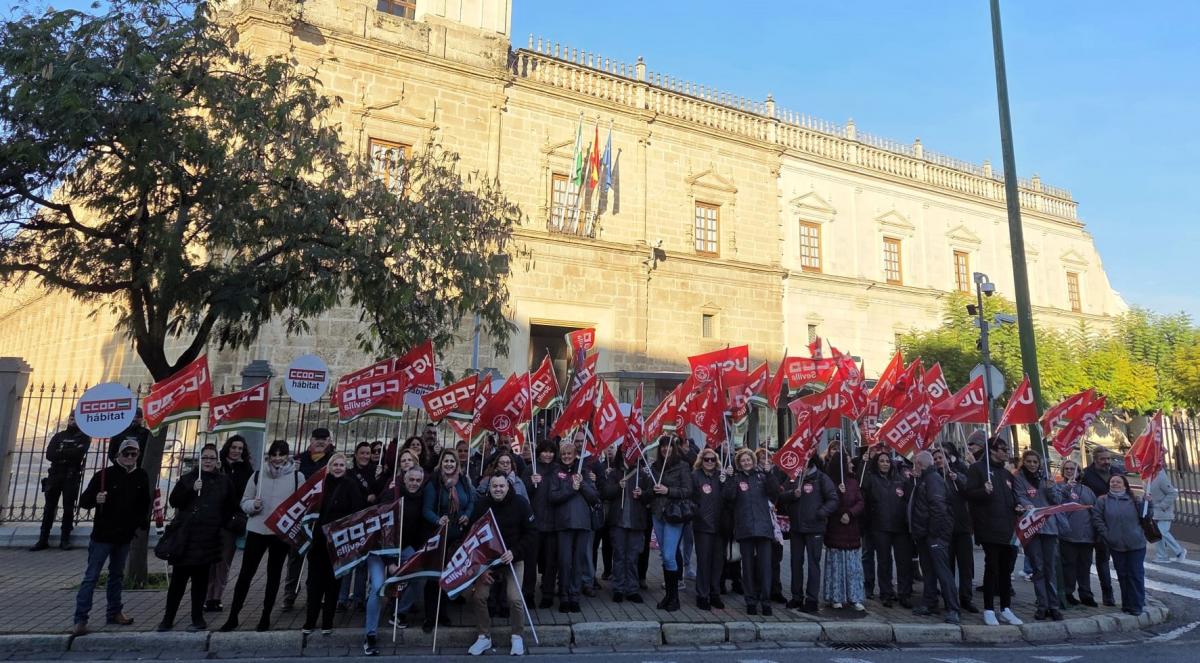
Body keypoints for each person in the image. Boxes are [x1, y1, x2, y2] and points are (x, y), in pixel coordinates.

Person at [220, 440, 304, 632]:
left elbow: (302, 505)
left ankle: (265, 617)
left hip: (280, 532)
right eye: (274, 455)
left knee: (274, 575)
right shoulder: (258, 475)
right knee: (245, 575)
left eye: (281, 455)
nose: (277, 459)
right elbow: (245, 501)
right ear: (269, 456)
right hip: (258, 529)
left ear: (287, 456)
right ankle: (233, 616)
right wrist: (253, 506)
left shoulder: (297, 477)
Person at [71, 439, 150, 635]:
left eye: (134, 454)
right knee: (92, 577)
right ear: (118, 455)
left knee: (117, 576)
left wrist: (139, 524)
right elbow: (84, 501)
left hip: (124, 536)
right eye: (127, 454)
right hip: (103, 535)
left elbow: (144, 503)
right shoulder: (104, 475)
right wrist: (96, 498)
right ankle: (81, 618)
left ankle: (114, 612)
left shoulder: (141, 475)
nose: (130, 458)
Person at [160, 444, 238, 632]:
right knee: (178, 582)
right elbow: (174, 501)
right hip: (186, 539)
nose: (208, 461)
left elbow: (230, 506)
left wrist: (228, 525)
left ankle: (197, 617)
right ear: (200, 459)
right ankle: (168, 618)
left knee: (200, 583)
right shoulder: (188, 479)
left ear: (217, 461)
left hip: (208, 538)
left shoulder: (224, 481)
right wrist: (191, 489)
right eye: (205, 458)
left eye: (212, 458)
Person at [466, 472, 537, 657]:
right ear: (489, 488)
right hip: (489, 562)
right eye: (494, 486)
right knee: (479, 596)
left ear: (508, 486)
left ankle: (517, 636)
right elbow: (472, 537)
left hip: (513, 558)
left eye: (501, 486)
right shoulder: (482, 505)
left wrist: (515, 552)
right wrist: (481, 568)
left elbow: (532, 534)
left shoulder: (521, 503)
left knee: (514, 598)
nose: (498, 489)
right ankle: (484, 636)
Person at [303, 452, 367, 636]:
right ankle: (310, 620)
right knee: (314, 584)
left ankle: (327, 622)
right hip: (318, 542)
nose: (338, 468)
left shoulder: (351, 485)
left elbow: (357, 512)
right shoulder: (320, 485)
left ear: (345, 468)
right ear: (329, 467)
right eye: (335, 465)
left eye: (341, 465)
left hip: (338, 543)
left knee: (333, 584)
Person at [365, 467, 427, 654]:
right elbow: (383, 528)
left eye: (418, 480)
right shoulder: (392, 495)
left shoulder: (421, 498)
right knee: (377, 587)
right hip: (379, 549)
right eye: (411, 479)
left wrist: (418, 554)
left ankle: (399, 611)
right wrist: (391, 560)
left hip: (403, 547)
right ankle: (370, 635)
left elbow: (418, 529)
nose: (414, 483)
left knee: (420, 574)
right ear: (404, 479)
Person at [965, 438, 1024, 627]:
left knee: (1006, 570)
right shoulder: (977, 469)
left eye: (1007, 448)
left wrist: (1019, 506)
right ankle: (989, 609)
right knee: (992, 568)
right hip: (989, 527)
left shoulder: (1007, 474)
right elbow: (968, 494)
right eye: (1002, 448)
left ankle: (1006, 608)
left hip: (1008, 528)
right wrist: (983, 491)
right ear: (992, 450)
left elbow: (1012, 499)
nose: (1006, 452)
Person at [421, 448, 476, 631]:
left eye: (452, 461)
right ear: (441, 463)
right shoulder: (434, 484)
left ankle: (443, 613)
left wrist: (467, 515)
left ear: (457, 464)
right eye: (446, 461)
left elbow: (471, 501)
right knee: (434, 577)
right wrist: (438, 519)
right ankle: (430, 617)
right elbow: (426, 509)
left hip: (457, 535)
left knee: (448, 574)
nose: (449, 464)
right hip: (439, 535)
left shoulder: (464, 481)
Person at [777, 453, 838, 614]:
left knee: (813, 564)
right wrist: (792, 494)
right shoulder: (793, 477)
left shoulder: (821, 478)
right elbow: (781, 496)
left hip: (815, 529)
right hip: (796, 528)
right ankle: (797, 596)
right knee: (796, 563)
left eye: (805, 460)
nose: (802, 463)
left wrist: (821, 513)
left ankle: (812, 599)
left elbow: (833, 499)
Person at [723, 447, 781, 616]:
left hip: (763, 528)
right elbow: (728, 496)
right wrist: (729, 477)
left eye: (748, 460)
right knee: (747, 568)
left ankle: (766, 601)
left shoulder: (762, 476)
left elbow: (775, 491)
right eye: (743, 460)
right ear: (739, 464)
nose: (746, 462)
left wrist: (770, 474)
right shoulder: (736, 478)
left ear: (753, 461)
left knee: (765, 567)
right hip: (745, 527)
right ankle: (750, 601)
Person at [283, 427, 334, 611]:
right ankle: (289, 595)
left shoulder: (333, 460)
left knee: (318, 560)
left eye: (324, 439)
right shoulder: (298, 460)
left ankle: (315, 593)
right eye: (317, 439)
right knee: (295, 557)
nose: (320, 442)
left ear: (329, 441)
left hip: (322, 515)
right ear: (310, 440)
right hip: (301, 515)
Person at [908, 451, 961, 625]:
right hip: (925, 534)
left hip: (934, 535)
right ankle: (930, 602)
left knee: (942, 571)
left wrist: (933, 533)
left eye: (915, 463)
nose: (913, 467)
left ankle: (953, 608)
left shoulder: (933, 480)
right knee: (929, 571)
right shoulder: (926, 479)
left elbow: (938, 508)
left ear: (920, 464)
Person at [547, 439, 598, 614]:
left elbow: (594, 497)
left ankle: (574, 596)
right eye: (564, 454)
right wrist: (571, 488)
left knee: (578, 563)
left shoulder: (584, 471)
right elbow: (552, 497)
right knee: (564, 561)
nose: (567, 457)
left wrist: (582, 483)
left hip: (582, 524)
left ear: (576, 455)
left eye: (570, 453)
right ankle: (563, 597)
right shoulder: (556, 472)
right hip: (563, 524)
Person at [206, 434, 255, 613]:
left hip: (231, 522)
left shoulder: (246, 469)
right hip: (211, 521)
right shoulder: (217, 465)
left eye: (240, 449)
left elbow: (247, 494)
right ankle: (206, 595)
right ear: (228, 447)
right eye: (234, 447)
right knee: (208, 560)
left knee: (223, 562)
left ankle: (216, 597)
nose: (236, 451)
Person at [1013, 449, 1063, 621]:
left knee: (1050, 568)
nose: (1032, 465)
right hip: (1032, 528)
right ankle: (1042, 605)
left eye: (1035, 462)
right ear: (1024, 462)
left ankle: (1054, 606)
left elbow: (1056, 500)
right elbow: (1020, 496)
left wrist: (1050, 489)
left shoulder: (1047, 478)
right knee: (1038, 568)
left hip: (1049, 527)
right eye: (1029, 462)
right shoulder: (1019, 478)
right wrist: (1028, 507)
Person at [31, 412, 91, 551]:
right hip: (55, 475)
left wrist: (62, 452)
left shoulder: (84, 437)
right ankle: (43, 539)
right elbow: (49, 455)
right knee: (49, 508)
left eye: (76, 419)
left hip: (71, 476)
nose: (73, 421)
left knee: (68, 508)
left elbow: (78, 455)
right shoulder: (59, 436)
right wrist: (70, 452)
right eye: (71, 418)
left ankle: (65, 539)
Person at [1092, 474, 1151, 616]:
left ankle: (1137, 604)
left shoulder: (1135, 499)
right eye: (1112, 482)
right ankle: (1127, 604)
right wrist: (1107, 535)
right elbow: (1097, 518)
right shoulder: (1103, 501)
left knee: (1135, 574)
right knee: (1123, 575)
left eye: (1118, 482)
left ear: (1125, 485)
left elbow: (1146, 516)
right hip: (1116, 544)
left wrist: (1149, 503)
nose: (1115, 484)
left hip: (1136, 543)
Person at [860, 452, 913, 608]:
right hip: (880, 527)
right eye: (881, 461)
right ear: (876, 463)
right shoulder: (871, 479)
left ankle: (904, 594)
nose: (885, 464)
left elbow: (908, 499)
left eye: (887, 461)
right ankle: (886, 593)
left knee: (903, 562)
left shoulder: (901, 480)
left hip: (900, 528)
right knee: (884, 562)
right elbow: (864, 498)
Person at [648, 437, 693, 612]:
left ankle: (674, 597)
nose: (666, 449)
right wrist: (645, 492)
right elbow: (650, 489)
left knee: (668, 555)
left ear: (674, 449)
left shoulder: (682, 466)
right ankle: (668, 595)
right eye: (663, 447)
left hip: (674, 515)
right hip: (658, 514)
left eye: (669, 447)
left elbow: (688, 491)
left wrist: (669, 491)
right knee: (666, 556)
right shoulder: (655, 467)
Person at [602, 450, 652, 604]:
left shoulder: (642, 474)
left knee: (632, 558)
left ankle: (632, 589)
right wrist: (618, 486)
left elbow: (651, 494)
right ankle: (618, 588)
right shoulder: (614, 473)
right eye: (626, 454)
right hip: (618, 523)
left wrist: (643, 493)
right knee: (618, 556)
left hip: (636, 523)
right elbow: (606, 493)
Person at [934, 444, 977, 613]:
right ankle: (949, 599)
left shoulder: (958, 473)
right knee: (948, 567)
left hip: (962, 526)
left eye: (941, 457)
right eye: (936, 458)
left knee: (966, 566)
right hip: (945, 529)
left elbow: (969, 489)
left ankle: (966, 598)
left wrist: (957, 478)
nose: (939, 460)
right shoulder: (934, 478)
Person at [821, 452, 866, 612]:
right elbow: (829, 504)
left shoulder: (853, 482)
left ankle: (855, 597)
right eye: (848, 462)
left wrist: (850, 513)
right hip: (836, 529)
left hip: (851, 529)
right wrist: (838, 493)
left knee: (853, 568)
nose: (852, 465)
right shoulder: (829, 482)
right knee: (837, 567)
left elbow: (860, 502)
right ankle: (836, 597)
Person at [1056, 459, 1098, 607]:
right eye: (1066, 468)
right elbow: (1056, 502)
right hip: (1068, 536)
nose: (1069, 471)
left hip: (1087, 536)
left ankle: (1086, 594)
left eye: (1073, 469)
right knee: (1069, 566)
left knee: (1085, 566)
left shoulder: (1087, 490)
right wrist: (1066, 489)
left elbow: (1095, 509)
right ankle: (1068, 593)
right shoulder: (1059, 487)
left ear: (1079, 472)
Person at [691, 447, 727, 610]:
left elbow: (729, 496)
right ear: (701, 460)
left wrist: (729, 479)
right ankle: (702, 595)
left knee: (718, 562)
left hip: (720, 526)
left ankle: (715, 594)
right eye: (707, 459)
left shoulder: (722, 476)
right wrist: (697, 512)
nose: (710, 462)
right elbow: (690, 498)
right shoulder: (695, 476)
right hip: (702, 526)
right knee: (704, 562)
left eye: (713, 459)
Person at [525, 442, 560, 609]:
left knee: (550, 563)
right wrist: (531, 483)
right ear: (538, 453)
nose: (548, 454)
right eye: (544, 451)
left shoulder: (558, 469)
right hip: (534, 525)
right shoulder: (530, 468)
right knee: (530, 563)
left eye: (551, 451)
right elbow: (522, 494)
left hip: (553, 524)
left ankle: (548, 594)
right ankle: (528, 594)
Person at [1081, 447, 1117, 606]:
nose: (1107, 462)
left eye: (1109, 458)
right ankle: (1086, 595)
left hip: (1112, 523)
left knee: (1105, 560)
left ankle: (1108, 595)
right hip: (1090, 522)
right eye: (1103, 459)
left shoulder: (1116, 472)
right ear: (1095, 460)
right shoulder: (1085, 474)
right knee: (1085, 561)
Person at [1148, 469, 1186, 563]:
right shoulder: (1148, 476)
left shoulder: (1160, 476)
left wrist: (1162, 505)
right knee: (1157, 533)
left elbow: (1173, 493)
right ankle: (1162, 556)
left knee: (1162, 531)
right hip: (1155, 511)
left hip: (1164, 511)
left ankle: (1180, 551)